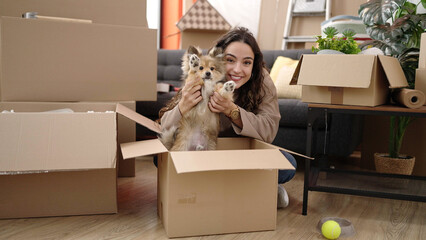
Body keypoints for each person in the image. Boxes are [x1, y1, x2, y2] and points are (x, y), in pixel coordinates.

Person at [158, 27, 297, 208]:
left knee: (287, 164)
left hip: (240, 155)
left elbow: (268, 131)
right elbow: (165, 129)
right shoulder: (204, 73)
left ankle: (230, 188)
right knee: (159, 157)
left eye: (247, 62)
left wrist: (233, 111)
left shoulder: (262, 80)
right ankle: (254, 188)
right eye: (230, 60)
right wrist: (183, 106)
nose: (237, 70)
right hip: (203, 152)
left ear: (254, 65)